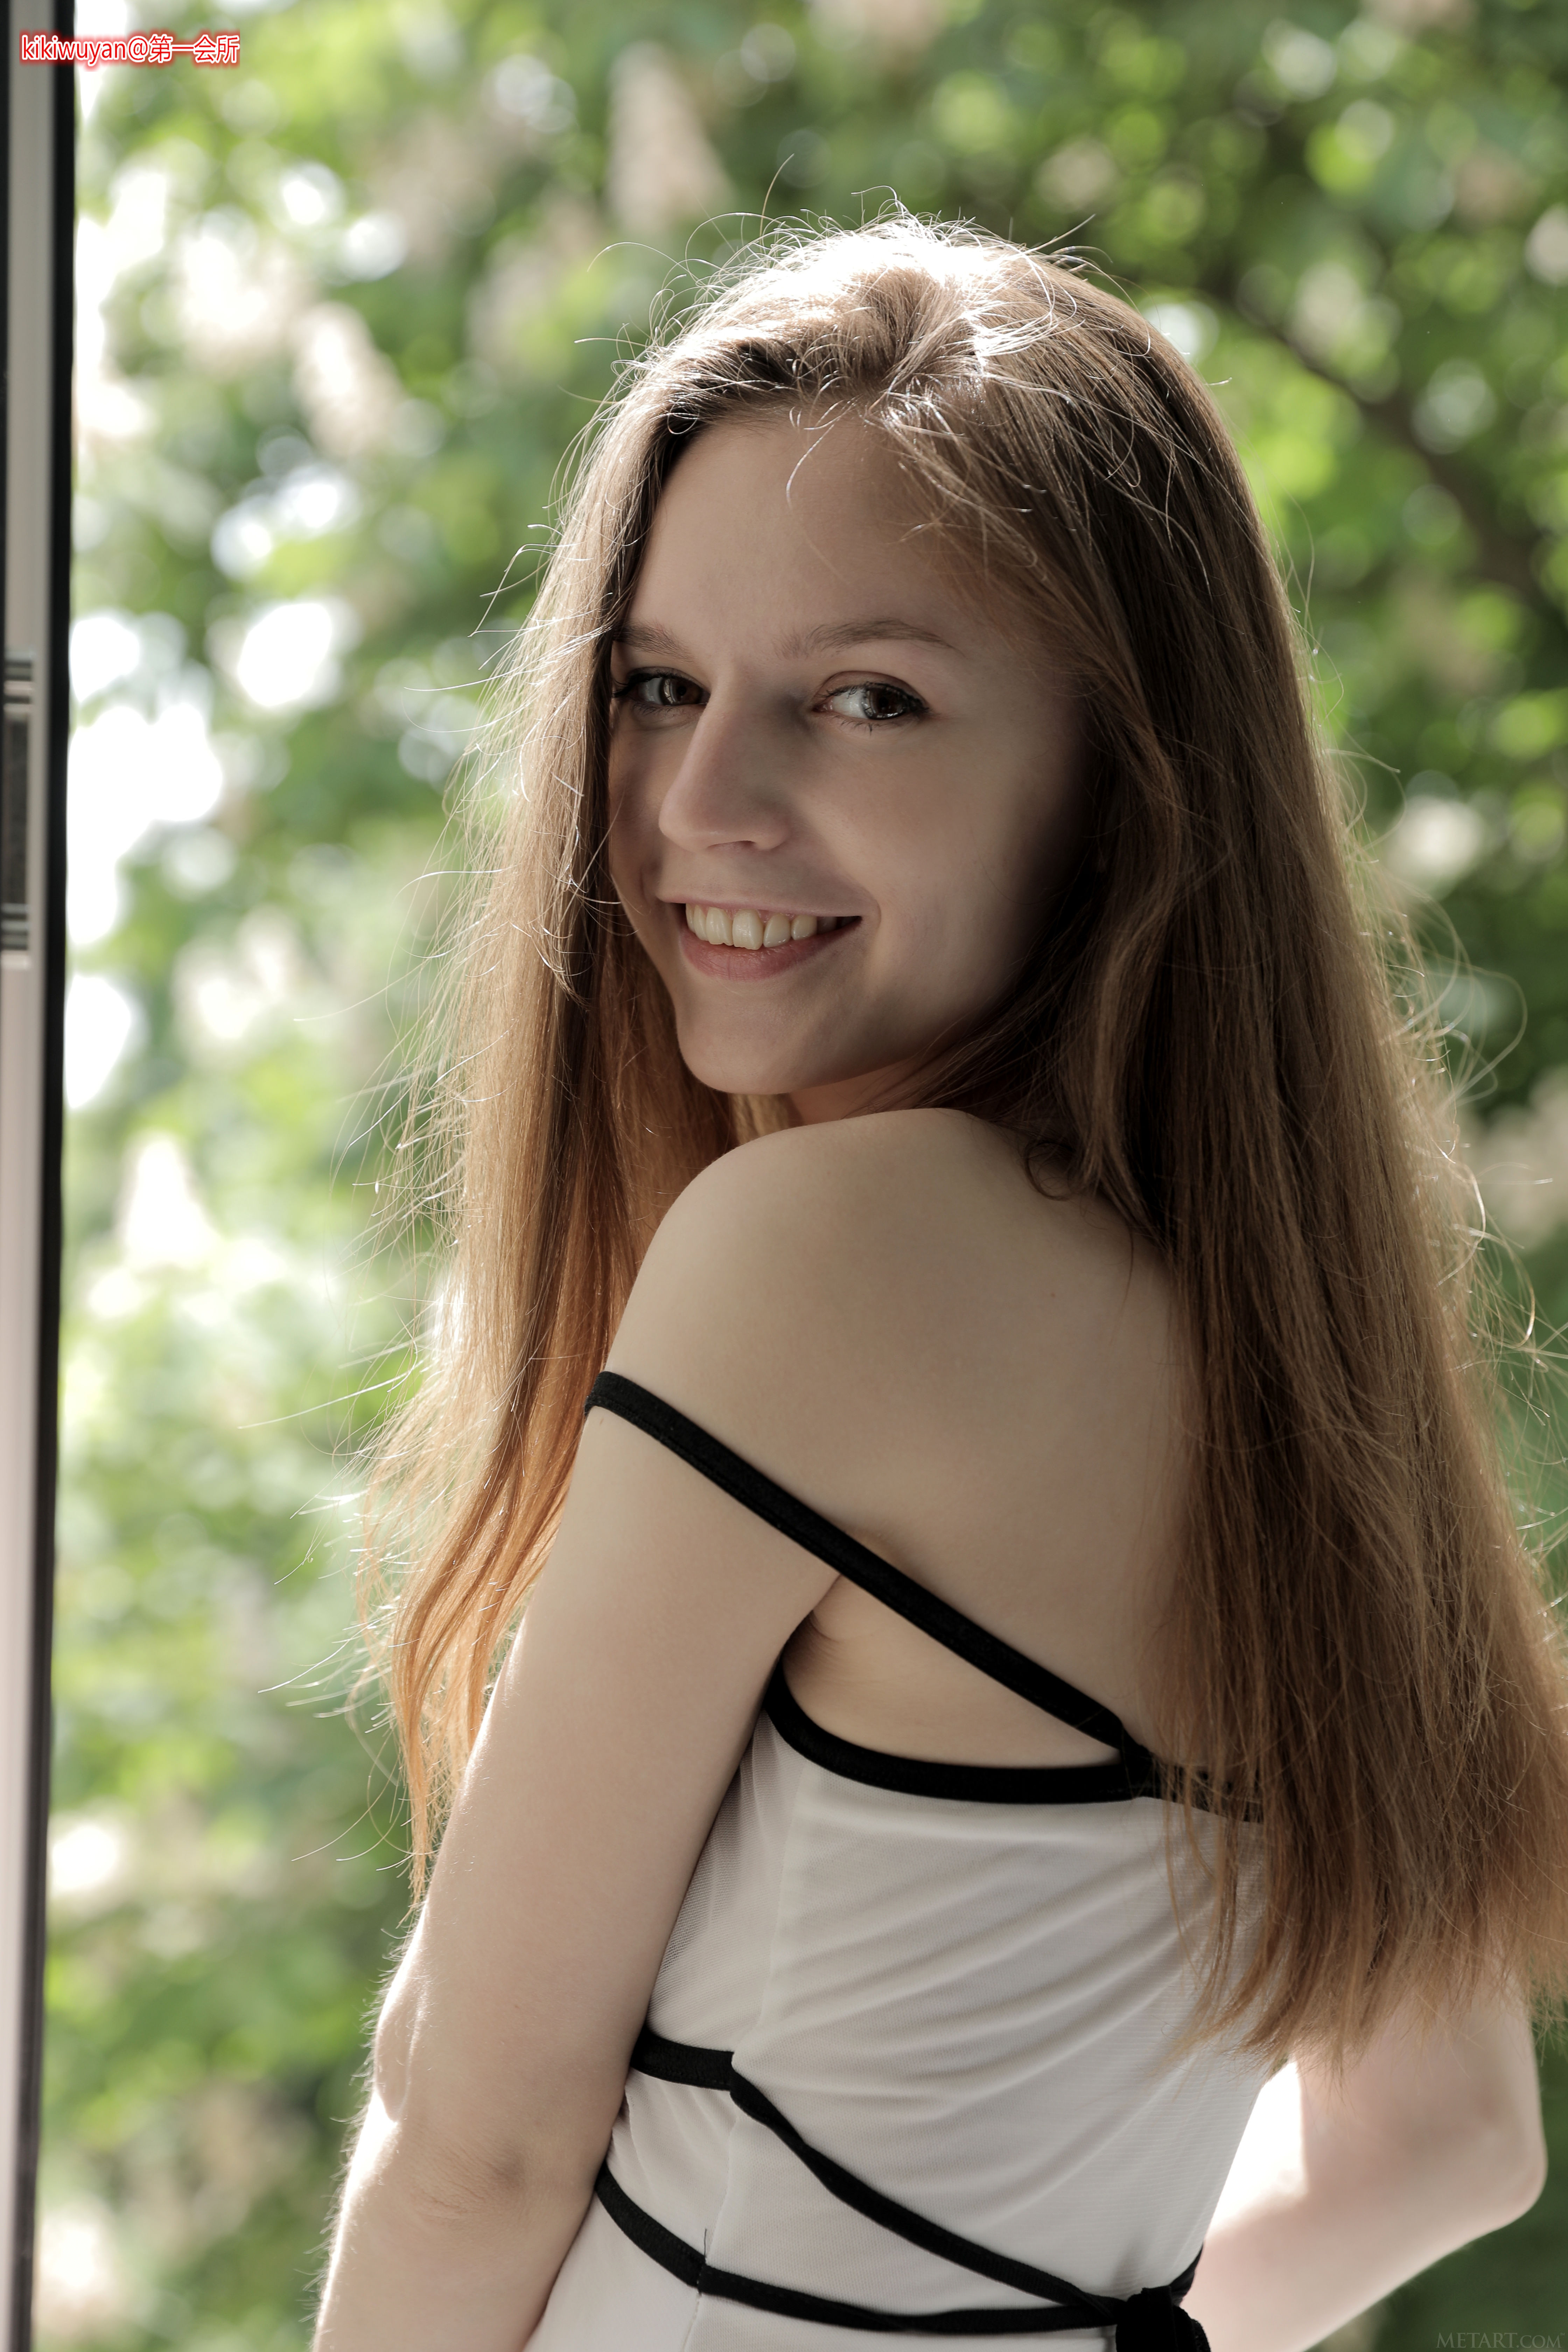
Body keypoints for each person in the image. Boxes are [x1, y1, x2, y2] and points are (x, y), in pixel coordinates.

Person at [312, 218, 1568, 2352]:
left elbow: (475, 2143)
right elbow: (1437, 2144)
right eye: (658, 688)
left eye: (866, 699)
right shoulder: (1305, 1380)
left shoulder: (822, 1258)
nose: (703, 800)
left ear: (1121, 783)